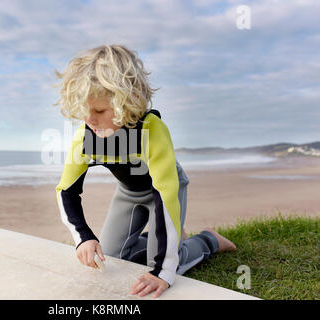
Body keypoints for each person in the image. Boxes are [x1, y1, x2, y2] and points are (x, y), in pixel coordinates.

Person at [53, 44, 236, 298]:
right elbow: (66, 191)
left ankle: (208, 241)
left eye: (99, 111)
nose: (90, 121)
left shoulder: (151, 130)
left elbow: (165, 194)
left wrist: (163, 271)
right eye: (85, 112)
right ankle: (166, 236)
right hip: (129, 193)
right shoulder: (86, 137)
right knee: (112, 259)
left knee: (161, 264)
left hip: (165, 190)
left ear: (126, 103)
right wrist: (83, 237)